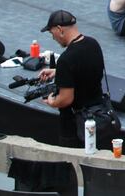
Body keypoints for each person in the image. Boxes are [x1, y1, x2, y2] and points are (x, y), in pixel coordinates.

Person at [37, 10, 105, 148]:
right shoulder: (93, 44)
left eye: (51, 33)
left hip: (75, 126)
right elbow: (85, 69)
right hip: (99, 117)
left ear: (59, 29)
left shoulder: (66, 59)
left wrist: (52, 101)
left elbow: (66, 99)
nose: (53, 38)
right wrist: (58, 72)